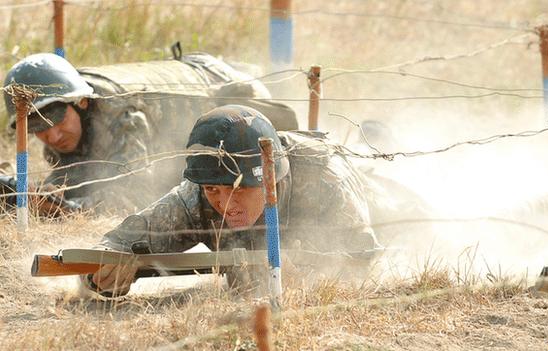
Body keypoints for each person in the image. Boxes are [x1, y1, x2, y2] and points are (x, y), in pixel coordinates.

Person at [82, 105, 381, 297]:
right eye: (214, 190)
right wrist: (101, 276)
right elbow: (119, 242)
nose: (225, 205)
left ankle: (376, 135)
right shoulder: (198, 193)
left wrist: (311, 281)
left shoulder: (324, 180)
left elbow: (363, 262)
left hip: (371, 187)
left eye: (238, 190)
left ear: (270, 179)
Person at [1, 53, 298, 214]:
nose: (52, 137)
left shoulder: (121, 112)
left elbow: (133, 195)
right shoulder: (67, 116)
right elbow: (80, 177)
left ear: (80, 102)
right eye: (38, 128)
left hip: (233, 88)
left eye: (57, 121)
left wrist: (70, 208)